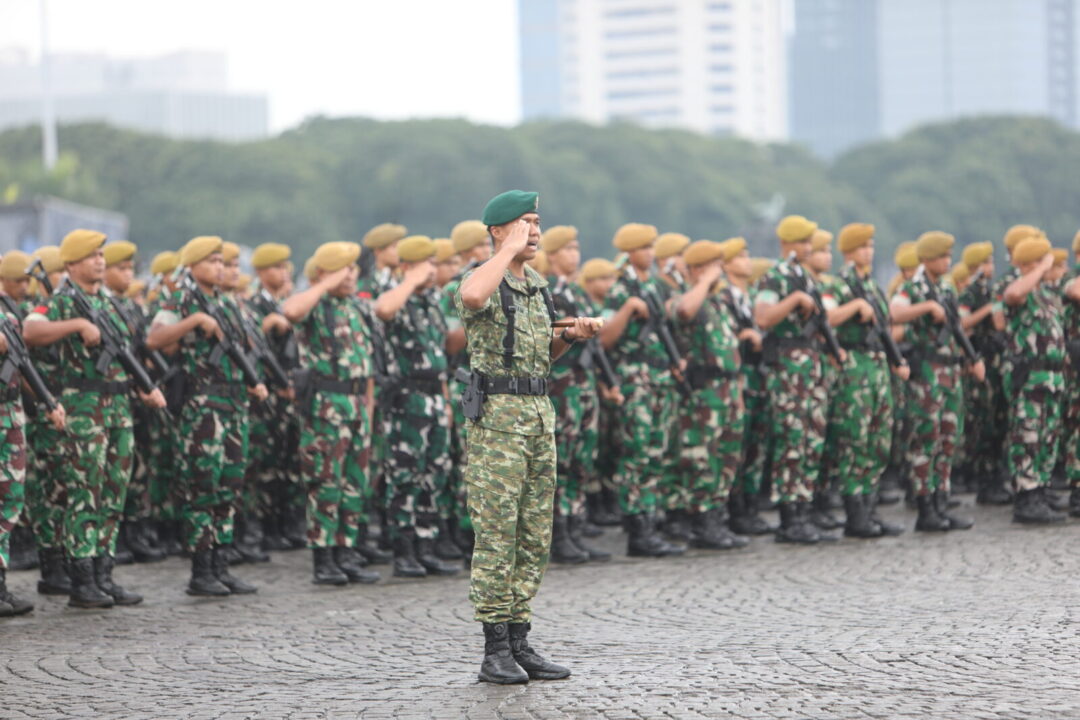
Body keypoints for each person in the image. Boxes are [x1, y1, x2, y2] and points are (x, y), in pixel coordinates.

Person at [455, 190, 600, 684]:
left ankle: (520, 640)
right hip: (497, 423)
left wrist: (570, 337)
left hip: (538, 417)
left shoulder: (537, 285)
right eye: (523, 223)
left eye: (537, 222)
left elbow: (538, 359)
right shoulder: (484, 277)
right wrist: (502, 252)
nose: (535, 231)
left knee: (534, 535)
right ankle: (494, 648)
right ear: (496, 230)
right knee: (497, 534)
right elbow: (471, 298)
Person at [25, 229, 166, 608]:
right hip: (85, 408)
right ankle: (81, 579)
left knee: (113, 493)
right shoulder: (63, 301)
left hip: (118, 408)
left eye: (102, 254)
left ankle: (104, 575)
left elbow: (123, 353)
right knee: (84, 492)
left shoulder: (108, 302)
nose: (100, 261)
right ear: (71, 264)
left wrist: (142, 386)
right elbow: (30, 331)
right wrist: (75, 326)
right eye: (91, 255)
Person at [147, 235, 265, 596]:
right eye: (212, 260)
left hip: (233, 405)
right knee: (202, 485)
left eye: (222, 261)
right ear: (194, 264)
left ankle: (221, 564)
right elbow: (155, 339)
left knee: (229, 485)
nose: (220, 267)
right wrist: (195, 320)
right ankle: (201, 571)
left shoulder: (227, 302)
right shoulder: (181, 298)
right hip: (202, 406)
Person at [281, 242, 380, 586]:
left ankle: (346, 552)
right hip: (326, 407)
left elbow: (367, 364)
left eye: (354, 268)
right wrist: (322, 283)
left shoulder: (356, 308)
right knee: (326, 483)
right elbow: (290, 311)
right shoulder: (315, 303)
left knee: (355, 483)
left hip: (356, 405)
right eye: (344, 268)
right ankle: (323, 558)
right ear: (324, 272)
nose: (352, 274)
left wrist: (368, 406)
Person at [374, 235, 459, 578]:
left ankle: (426, 546)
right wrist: (409, 278)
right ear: (409, 266)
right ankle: (404, 550)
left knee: (433, 474)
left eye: (436, 264)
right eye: (429, 264)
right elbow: (382, 310)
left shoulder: (432, 303)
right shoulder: (400, 297)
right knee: (405, 476)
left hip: (434, 397)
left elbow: (443, 351)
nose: (434, 270)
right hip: (406, 399)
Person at [890, 231, 983, 532]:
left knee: (947, 440)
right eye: (943, 256)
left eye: (948, 256)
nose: (948, 261)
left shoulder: (945, 287)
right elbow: (895, 312)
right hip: (927, 374)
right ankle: (925, 507)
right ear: (928, 258)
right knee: (925, 440)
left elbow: (955, 327)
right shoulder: (913, 287)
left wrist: (970, 359)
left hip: (949, 373)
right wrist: (927, 308)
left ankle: (942, 503)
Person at [753, 215, 837, 544]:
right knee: (792, 440)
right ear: (788, 243)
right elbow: (763, 318)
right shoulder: (776, 277)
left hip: (810, 366)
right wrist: (794, 301)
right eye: (803, 242)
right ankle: (789, 518)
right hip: (788, 368)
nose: (808, 248)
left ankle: (804, 511)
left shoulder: (804, 276)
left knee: (810, 441)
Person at [825, 224, 908, 538]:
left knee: (878, 440)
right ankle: (855, 515)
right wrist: (854, 307)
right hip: (855, 368)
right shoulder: (841, 284)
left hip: (876, 366)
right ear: (848, 251)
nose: (868, 252)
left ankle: (870, 509)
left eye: (871, 246)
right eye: (862, 247)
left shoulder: (872, 286)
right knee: (855, 439)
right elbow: (827, 318)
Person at [671, 240, 750, 549]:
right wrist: (702, 281)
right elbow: (684, 310)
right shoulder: (689, 297)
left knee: (727, 456)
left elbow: (732, 351)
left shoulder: (720, 302)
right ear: (699, 269)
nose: (721, 271)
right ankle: (701, 521)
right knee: (703, 457)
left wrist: (739, 392)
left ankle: (716, 518)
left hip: (729, 389)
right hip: (704, 393)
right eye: (715, 265)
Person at [541, 225, 610, 564]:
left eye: (576, 248)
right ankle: (558, 534)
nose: (574, 254)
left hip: (583, 389)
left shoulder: (578, 294)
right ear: (552, 255)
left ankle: (576, 528)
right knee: (560, 462)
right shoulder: (548, 291)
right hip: (561, 389)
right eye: (567, 249)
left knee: (581, 462)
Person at [1003, 237, 1068, 524]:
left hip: (1052, 378)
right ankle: (1026, 496)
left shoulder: (1045, 295)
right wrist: (1040, 267)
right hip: (1031, 378)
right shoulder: (1023, 291)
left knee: (1047, 437)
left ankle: (1039, 491)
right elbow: (1013, 293)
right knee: (1027, 436)